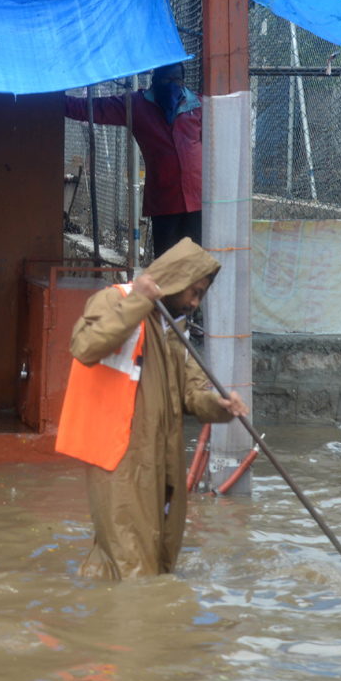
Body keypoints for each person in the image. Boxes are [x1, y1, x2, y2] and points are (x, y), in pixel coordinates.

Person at [55, 239, 248, 581]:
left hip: (164, 462)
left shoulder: (176, 330)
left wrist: (219, 406)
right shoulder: (118, 299)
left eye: (201, 295)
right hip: (121, 459)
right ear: (175, 278)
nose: (194, 301)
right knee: (131, 564)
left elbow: (191, 393)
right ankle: (122, 629)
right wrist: (138, 304)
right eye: (193, 291)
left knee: (158, 560)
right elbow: (83, 346)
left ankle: (105, 614)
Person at [63, 63, 202, 258]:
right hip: (165, 203)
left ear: (183, 81)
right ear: (155, 80)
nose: (171, 85)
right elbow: (96, 109)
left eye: (176, 80)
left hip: (197, 202)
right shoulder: (138, 105)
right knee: (168, 265)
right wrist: (55, 102)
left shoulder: (197, 105)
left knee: (196, 266)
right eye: (165, 80)